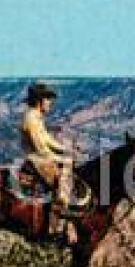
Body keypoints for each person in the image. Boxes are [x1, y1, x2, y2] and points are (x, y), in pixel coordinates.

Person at [20, 81, 79, 243]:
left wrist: (66, 151)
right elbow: (40, 148)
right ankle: (55, 229)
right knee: (62, 185)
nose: (50, 103)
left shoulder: (36, 117)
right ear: (39, 100)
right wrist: (61, 158)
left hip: (41, 157)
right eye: (47, 99)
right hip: (37, 159)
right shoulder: (31, 118)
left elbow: (48, 140)